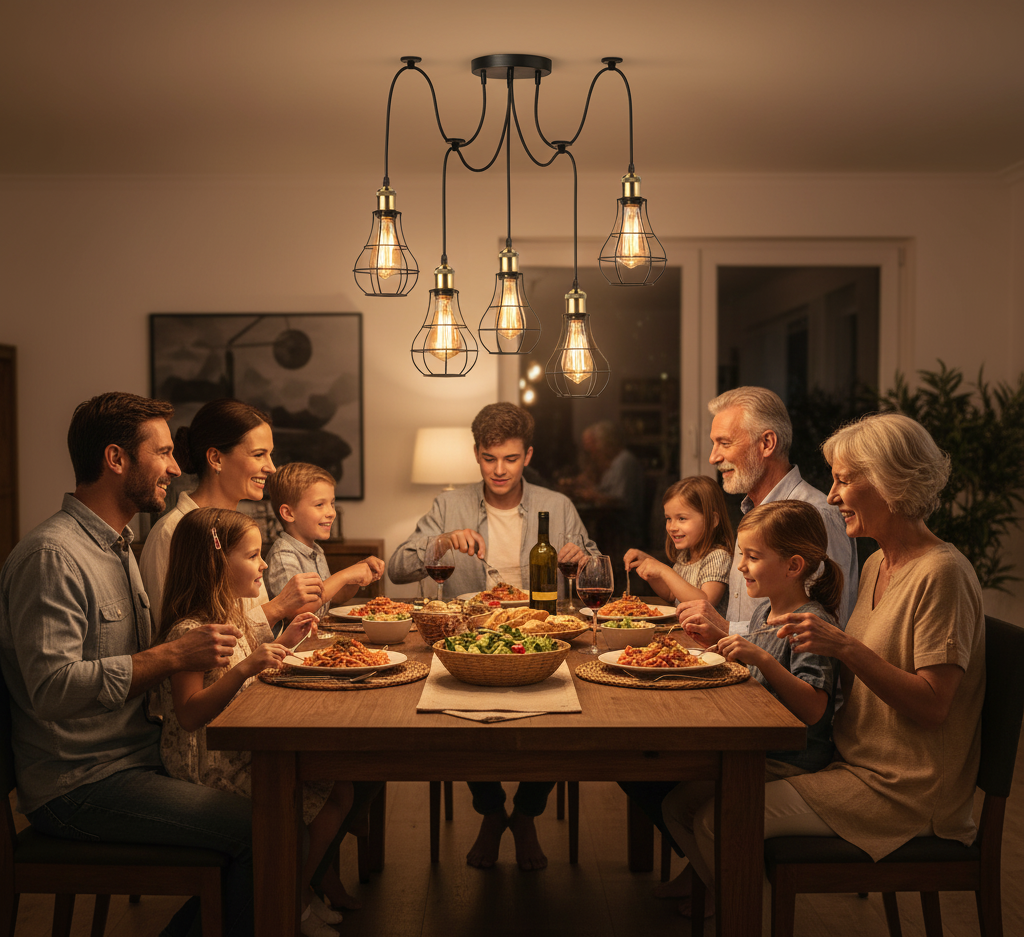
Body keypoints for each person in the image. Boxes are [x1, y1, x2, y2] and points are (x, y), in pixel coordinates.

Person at [673, 413, 985, 925]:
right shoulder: (880, 563)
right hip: (851, 764)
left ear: (891, 484)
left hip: (902, 788)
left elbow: (933, 707)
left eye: (843, 480)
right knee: (688, 801)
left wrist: (844, 647)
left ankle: (748, 921)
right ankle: (751, 911)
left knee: (717, 822)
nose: (833, 496)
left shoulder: (941, 573)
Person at [0, 392, 254, 937]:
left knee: (283, 794)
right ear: (116, 460)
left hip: (135, 758)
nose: (175, 467)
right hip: (80, 784)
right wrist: (172, 656)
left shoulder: (117, 545)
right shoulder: (53, 557)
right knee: (266, 828)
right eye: (161, 452)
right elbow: (51, 689)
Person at [388, 402, 598, 872]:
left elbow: (594, 566)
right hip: (470, 644)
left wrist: (582, 558)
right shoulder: (450, 504)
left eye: (509, 458)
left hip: (541, 640)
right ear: (476, 454)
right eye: (489, 458)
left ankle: (524, 815)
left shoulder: (556, 505)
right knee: (455, 726)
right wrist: (440, 542)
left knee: (556, 727)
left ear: (527, 455)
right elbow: (398, 568)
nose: (499, 470)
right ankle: (490, 812)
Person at [157, 507, 357, 937]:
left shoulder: (232, 614)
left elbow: (252, 663)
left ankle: (297, 895)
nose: (263, 565)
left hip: (233, 746)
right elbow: (190, 713)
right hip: (205, 761)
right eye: (252, 556)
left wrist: (284, 641)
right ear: (215, 562)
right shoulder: (189, 631)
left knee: (339, 786)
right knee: (305, 795)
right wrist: (244, 668)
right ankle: (284, 908)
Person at [659, 499, 845, 915]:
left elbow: (814, 707)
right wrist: (721, 645)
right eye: (741, 554)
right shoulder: (766, 609)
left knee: (709, 818)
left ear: (794, 566)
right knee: (674, 805)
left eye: (752, 556)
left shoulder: (809, 622)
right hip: (762, 749)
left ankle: (744, 906)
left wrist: (759, 658)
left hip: (793, 759)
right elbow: (751, 673)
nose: (740, 565)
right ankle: (722, 893)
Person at [678, 386, 858, 633]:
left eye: (725, 443)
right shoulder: (751, 511)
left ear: (767, 443)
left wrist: (726, 628)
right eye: (713, 444)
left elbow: (826, 629)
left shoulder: (817, 515)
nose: (713, 458)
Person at [140, 398, 323, 633]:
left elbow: (251, 639)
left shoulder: (241, 529)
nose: (271, 467)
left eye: (270, 454)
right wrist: (279, 606)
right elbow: (180, 645)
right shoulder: (173, 532)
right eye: (259, 455)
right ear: (216, 458)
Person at [264, 462, 385, 618]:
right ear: (288, 513)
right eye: (320, 504)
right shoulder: (283, 556)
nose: (331, 512)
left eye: (332, 503)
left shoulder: (316, 550)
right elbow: (299, 609)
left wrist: (357, 576)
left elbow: (330, 597)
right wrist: (345, 575)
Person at [622, 476, 734, 615]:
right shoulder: (685, 555)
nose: (672, 527)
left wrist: (663, 570)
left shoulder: (718, 556)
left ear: (712, 520)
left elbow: (706, 602)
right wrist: (649, 565)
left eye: (682, 518)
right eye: (669, 519)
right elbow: (671, 594)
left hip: (709, 636)